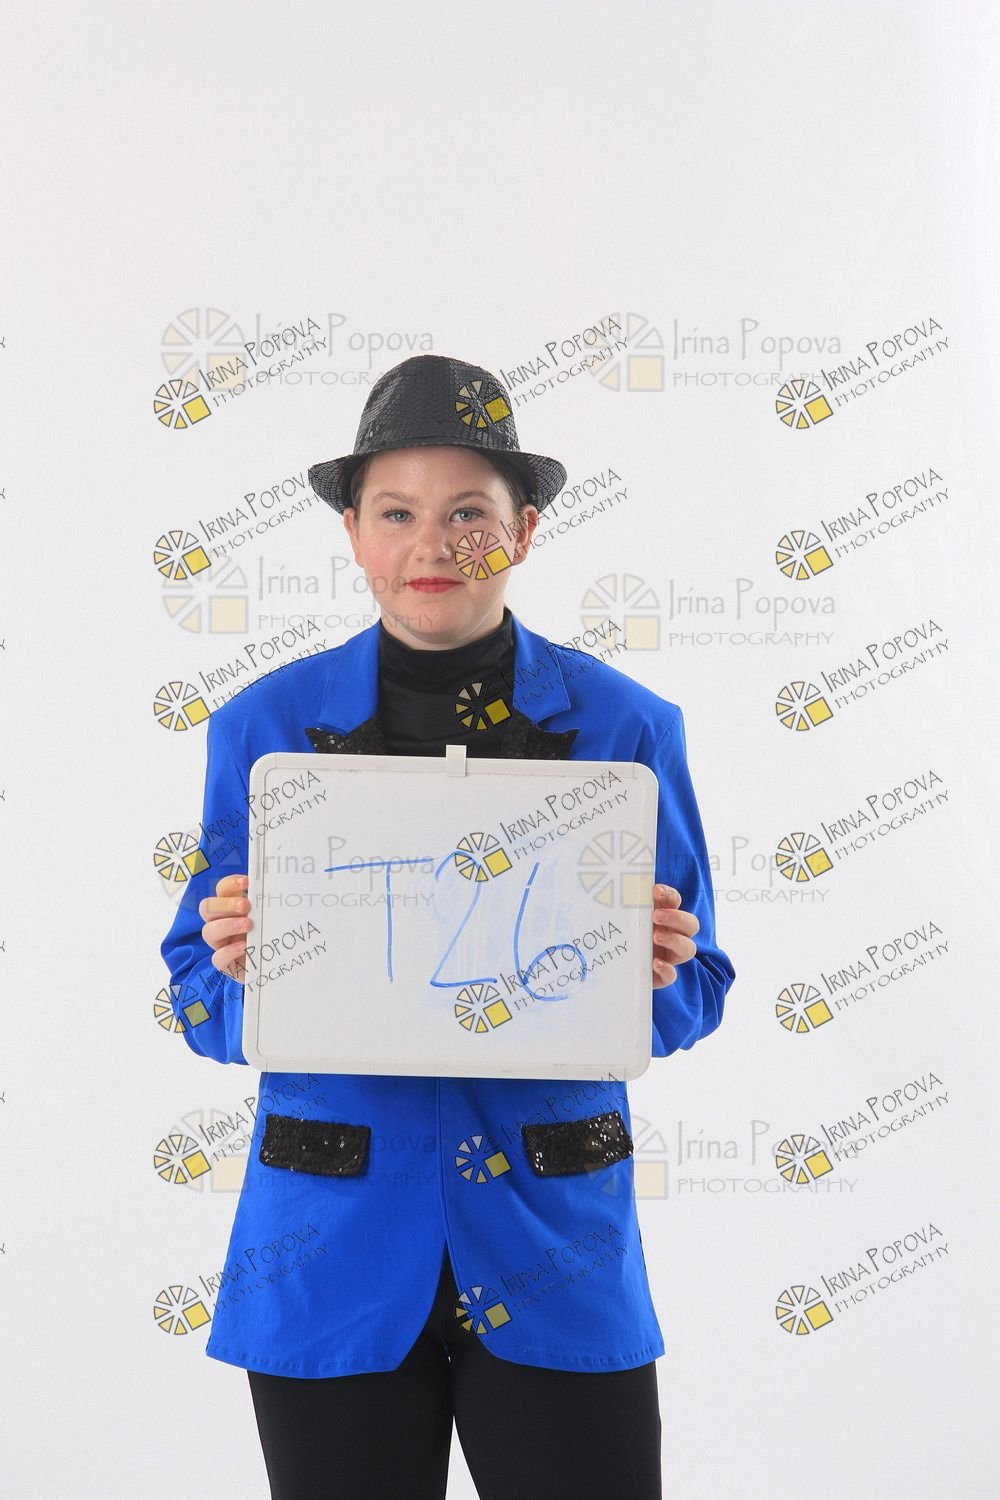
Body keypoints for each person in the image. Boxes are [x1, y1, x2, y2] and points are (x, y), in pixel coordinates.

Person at [160, 353, 736, 1500]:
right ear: (354, 536)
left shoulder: (625, 726)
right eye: (397, 513)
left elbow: (696, 991)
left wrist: (652, 974)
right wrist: (238, 971)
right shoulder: (264, 726)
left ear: (522, 531)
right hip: (329, 1241)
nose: (433, 544)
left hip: (551, 1231)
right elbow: (195, 995)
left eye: (468, 512)